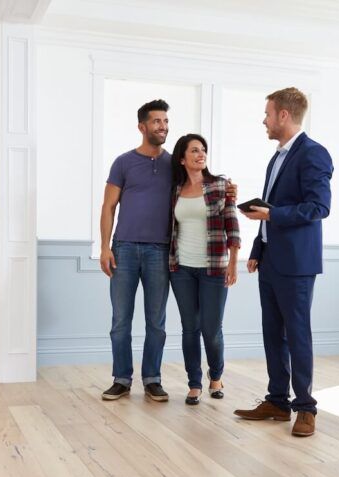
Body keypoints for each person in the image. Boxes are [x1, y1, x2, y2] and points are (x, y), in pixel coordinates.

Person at [99, 100, 237, 403]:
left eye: (165, 121)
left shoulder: (173, 165)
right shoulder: (123, 162)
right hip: (123, 248)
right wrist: (105, 247)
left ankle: (152, 379)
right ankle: (121, 379)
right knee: (120, 320)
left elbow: (202, 186)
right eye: (157, 121)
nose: (163, 126)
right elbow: (108, 206)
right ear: (142, 126)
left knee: (156, 321)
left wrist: (229, 190)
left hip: (160, 252)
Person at [233, 87, 333, 437]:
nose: (264, 120)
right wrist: (258, 250)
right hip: (271, 260)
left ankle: (305, 407)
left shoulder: (313, 154)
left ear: (284, 116)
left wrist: (272, 216)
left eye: (268, 114)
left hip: (297, 263)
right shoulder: (276, 157)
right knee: (273, 334)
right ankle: (277, 400)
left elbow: (318, 207)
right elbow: (271, 210)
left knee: (297, 334)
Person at [168, 134, 240, 405]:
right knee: (190, 328)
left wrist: (233, 263)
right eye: (194, 151)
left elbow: (232, 226)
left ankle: (216, 376)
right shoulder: (174, 190)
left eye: (203, 150)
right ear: (182, 158)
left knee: (211, 329)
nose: (201, 154)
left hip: (214, 268)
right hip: (181, 268)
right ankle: (194, 383)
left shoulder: (220, 186)